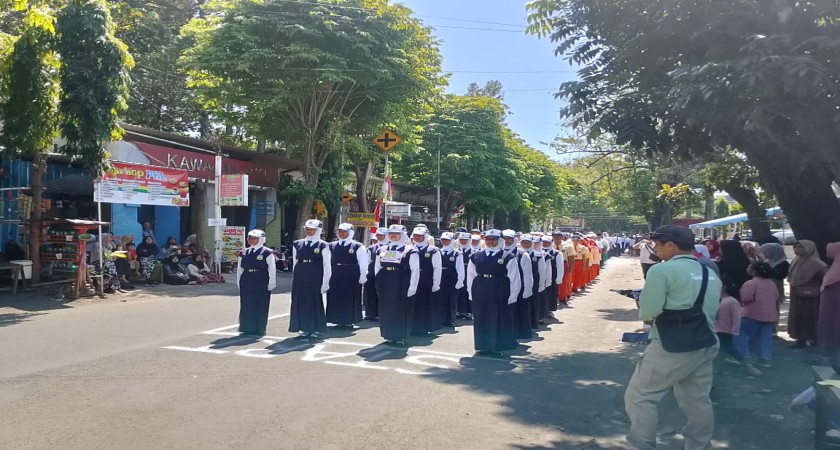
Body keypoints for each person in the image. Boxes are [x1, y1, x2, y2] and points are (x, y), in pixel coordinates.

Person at [624, 225, 721, 450]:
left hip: (671, 344)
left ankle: (641, 445)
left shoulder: (661, 270)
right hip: (704, 341)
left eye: (657, 245)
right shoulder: (708, 270)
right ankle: (699, 445)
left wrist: (643, 304)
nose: (655, 249)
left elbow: (648, 313)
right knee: (697, 400)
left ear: (671, 245)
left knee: (641, 396)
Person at [466, 229, 520, 356]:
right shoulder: (476, 256)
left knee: (497, 317)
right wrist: (470, 291)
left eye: (494, 239)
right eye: (488, 239)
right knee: (481, 317)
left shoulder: (508, 256)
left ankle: (495, 347)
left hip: (499, 287)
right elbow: (470, 275)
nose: (491, 242)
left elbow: (514, 277)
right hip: (481, 287)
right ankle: (482, 346)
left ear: (499, 240)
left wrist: (513, 295)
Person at [375, 224, 419, 346]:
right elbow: (377, 267)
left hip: (401, 280)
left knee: (401, 309)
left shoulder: (410, 250)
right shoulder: (382, 249)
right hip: (385, 279)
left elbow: (415, 270)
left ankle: (400, 336)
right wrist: (378, 282)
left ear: (403, 235)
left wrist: (412, 287)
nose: (393, 236)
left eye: (397, 233)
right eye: (391, 233)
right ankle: (388, 334)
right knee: (386, 309)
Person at [289, 220, 331, 339]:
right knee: (300, 300)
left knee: (314, 301)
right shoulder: (297, 244)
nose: (309, 231)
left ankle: (315, 328)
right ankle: (303, 327)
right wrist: (295, 275)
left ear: (318, 230)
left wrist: (325, 281)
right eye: (307, 229)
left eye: (312, 229)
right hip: (300, 273)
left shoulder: (323, 245)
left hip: (315, 273)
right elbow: (295, 261)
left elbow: (326, 264)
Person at [735, 261, 780, 368]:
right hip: (769, 314)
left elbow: (746, 298)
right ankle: (765, 358)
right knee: (765, 337)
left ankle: (744, 357)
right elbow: (777, 298)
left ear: (754, 271)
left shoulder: (750, 283)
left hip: (752, 313)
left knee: (743, 334)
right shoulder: (771, 283)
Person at [235, 229, 276, 336]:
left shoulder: (267, 252)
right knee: (247, 304)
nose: (251, 240)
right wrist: (239, 281)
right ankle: (247, 327)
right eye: (250, 238)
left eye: (254, 238)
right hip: (247, 278)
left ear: (261, 239)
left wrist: (272, 282)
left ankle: (260, 328)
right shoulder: (243, 252)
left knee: (261, 304)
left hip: (261, 278)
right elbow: (240, 269)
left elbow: (272, 268)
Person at [788, 240, 828, 349]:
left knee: (810, 318)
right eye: (795, 247)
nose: (797, 250)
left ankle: (814, 340)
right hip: (796, 295)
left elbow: (826, 278)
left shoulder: (816, 263)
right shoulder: (796, 260)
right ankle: (799, 339)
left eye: (801, 247)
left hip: (811, 298)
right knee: (797, 317)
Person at [326, 223, 367, 328]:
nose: (341, 233)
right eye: (340, 231)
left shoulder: (358, 246)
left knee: (349, 298)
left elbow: (363, 263)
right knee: (335, 296)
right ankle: (337, 319)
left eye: (344, 231)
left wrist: (363, 276)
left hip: (351, 275)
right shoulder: (331, 245)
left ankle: (349, 321)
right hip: (335, 273)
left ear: (350, 233)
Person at [716, 284, 762, 376]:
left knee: (729, 348)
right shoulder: (716, 299)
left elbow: (737, 317)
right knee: (725, 348)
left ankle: (746, 365)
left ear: (724, 287)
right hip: (715, 328)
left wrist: (735, 330)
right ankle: (745, 365)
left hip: (724, 330)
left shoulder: (732, 301)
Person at [408, 227, 442, 336]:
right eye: (415, 236)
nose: (417, 238)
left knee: (424, 306)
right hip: (411, 279)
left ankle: (423, 328)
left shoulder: (433, 250)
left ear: (425, 237)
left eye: (420, 236)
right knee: (411, 305)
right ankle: (410, 327)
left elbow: (437, 268)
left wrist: (436, 283)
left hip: (425, 280)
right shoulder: (408, 248)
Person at [818, 242, 840, 359]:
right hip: (831, 304)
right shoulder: (835, 266)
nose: (827, 252)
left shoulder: (837, 268)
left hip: (833, 306)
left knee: (833, 325)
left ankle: (831, 351)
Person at [438, 232, 465, 327]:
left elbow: (460, 268)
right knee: (440, 299)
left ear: (452, 241)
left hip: (451, 278)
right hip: (440, 277)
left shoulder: (457, 253)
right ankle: (440, 319)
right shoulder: (438, 251)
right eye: (443, 240)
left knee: (451, 299)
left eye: (447, 240)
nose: (445, 242)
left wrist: (460, 280)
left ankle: (450, 319)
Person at [363, 228, 387, 321]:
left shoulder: (390, 247)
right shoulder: (371, 248)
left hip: (384, 275)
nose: (380, 237)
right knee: (370, 294)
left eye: (382, 235)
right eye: (378, 235)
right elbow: (366, 261)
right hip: (371, 274)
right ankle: (371, 313)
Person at [759, 242, 789, 307]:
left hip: (776, 288)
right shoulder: (766, 261)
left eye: (766, 252)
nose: (765, 254)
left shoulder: (782, 263)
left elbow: (779, 275)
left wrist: (765, 271)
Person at [457, 233, 478, 320]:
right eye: (461, 240)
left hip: (470, 272)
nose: (463, 241)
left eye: (465, 240)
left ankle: (470, 311)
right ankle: (459, 311)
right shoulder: (456, 250)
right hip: (459, 272)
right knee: (460, 291)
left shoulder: (475, 252)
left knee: (470, 291)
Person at [542, 235, 563, 316]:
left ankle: (549, 310)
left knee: (551, 293)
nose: (545, 244)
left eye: (547, 242)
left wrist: (559, 279)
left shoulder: (557, 253)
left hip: (553, 277)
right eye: (544, 242)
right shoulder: (538, 252)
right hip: (542, 277)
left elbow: (560, 266)